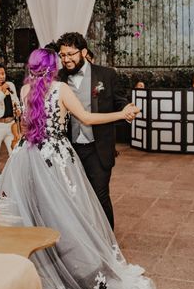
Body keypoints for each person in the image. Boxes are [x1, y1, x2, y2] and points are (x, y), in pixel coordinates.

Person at [0, 49, 156, 289]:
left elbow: (25, 127)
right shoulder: (61, 89)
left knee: (34, 210)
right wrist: (121, 114)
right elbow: (87, 118)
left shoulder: (25, 91)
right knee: (67, 212)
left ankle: (42, 266)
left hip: (27, 156)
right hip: (56, 158)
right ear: (53, 66)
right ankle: (71, 267)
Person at [57, 32, 137, 229]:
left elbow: (119, 100)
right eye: (62, 55)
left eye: (70, 54)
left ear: (83, 52)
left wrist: (127, 109)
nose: (66, 59)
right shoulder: (58, 77)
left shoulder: (106, 74)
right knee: (73, 195)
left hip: (98, 147)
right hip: (70, 148)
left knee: (100, 195)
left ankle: (108, 241)